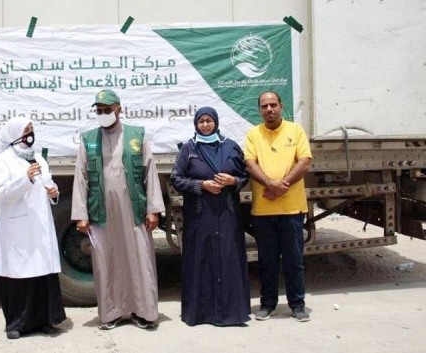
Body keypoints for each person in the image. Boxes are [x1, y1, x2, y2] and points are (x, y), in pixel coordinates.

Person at [71, 89, 165, 330]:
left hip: (133, 207)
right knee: (106, 259)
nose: (103, 114)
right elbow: (80, 178)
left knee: (139, 257)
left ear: (119, 109)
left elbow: (150, 172)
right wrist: (80, 214)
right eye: (99, 110)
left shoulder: (136, 135)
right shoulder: (88, 139)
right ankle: (112, 313)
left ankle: (143, 312)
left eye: (107, 109)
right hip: (101, 210)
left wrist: (153, 209)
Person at [171, 107, 251, 326]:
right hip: (200, 216)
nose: (205, 125)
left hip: (227, 215)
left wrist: (232, 182)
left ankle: (231, 313)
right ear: (196, 124)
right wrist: (201, 185)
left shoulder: (231, 147)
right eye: (201, 121)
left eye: (209, 121)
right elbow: (176, 179)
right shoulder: (188, 149)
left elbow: (245, 176)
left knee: (228, 258)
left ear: (216, 122)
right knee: (201, 260)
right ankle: (201, 313)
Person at [0, 117, 66, 339]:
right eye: (26, 130)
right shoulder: (3, 160)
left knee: (42, 272)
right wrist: (25, 179)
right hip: (17, 228)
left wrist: (54, 193)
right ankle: (16, 324)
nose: (30, 134)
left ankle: (45, 321)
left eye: (32, 130)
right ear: (14, 133)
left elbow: (48, 183)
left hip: (40, 226)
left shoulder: (38, 158)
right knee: (19, 274)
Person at [243, 91, 313, 322]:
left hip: (292, 210)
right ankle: (268, 304)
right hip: (263, 212)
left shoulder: (296, 130)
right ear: (260, 109)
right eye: (265, 106)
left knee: (294, 261)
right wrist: (270, 184)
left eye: (273, 105)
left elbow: (304, 161)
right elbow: (250, 163)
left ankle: (297, 304)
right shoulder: (254, 134)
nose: (269, 109)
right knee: (267, 262)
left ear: (281, 106)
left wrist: (281, 185)